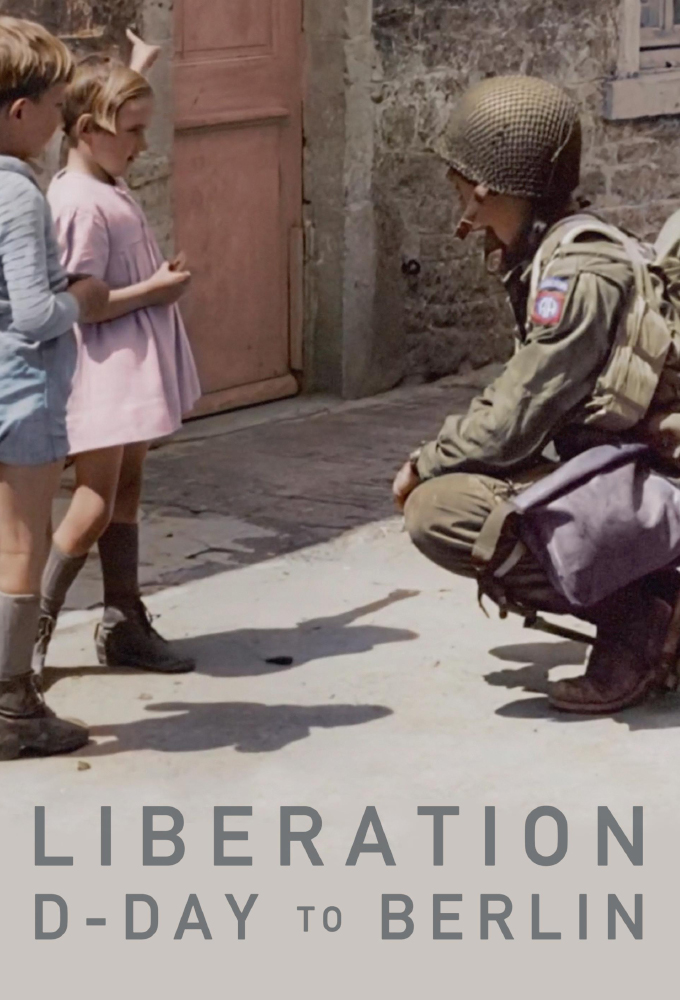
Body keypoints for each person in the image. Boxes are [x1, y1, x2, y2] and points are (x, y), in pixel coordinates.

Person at [394, 75, 680, 716]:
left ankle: (643, 618)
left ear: (486, 188)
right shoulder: (557, 250)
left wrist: (424, 463)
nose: (461, 208)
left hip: (662, 482)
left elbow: (512, 422)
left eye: (460, 188)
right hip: (639, 470)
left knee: (443, 510)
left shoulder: (577, 275)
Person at [34, 35, 201, 675]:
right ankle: (26, 634)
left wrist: (135, 68)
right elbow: (85, 302)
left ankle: (123, 620)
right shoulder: (79, 202)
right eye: (132, 132)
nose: (142, 145)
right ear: (87, 130)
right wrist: (154, 290)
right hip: (101, 371)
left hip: (125, 369)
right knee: (94, 503)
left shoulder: (101, 176)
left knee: (125, 491)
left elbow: (101, 111)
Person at [0, 16, 109, 758]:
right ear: (19, 111)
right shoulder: (17, 192)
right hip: (23, 387)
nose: (61, 121)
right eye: (55, 107)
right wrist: (84, 300)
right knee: (21, 544)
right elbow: (35, 313)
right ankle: (12, 706)